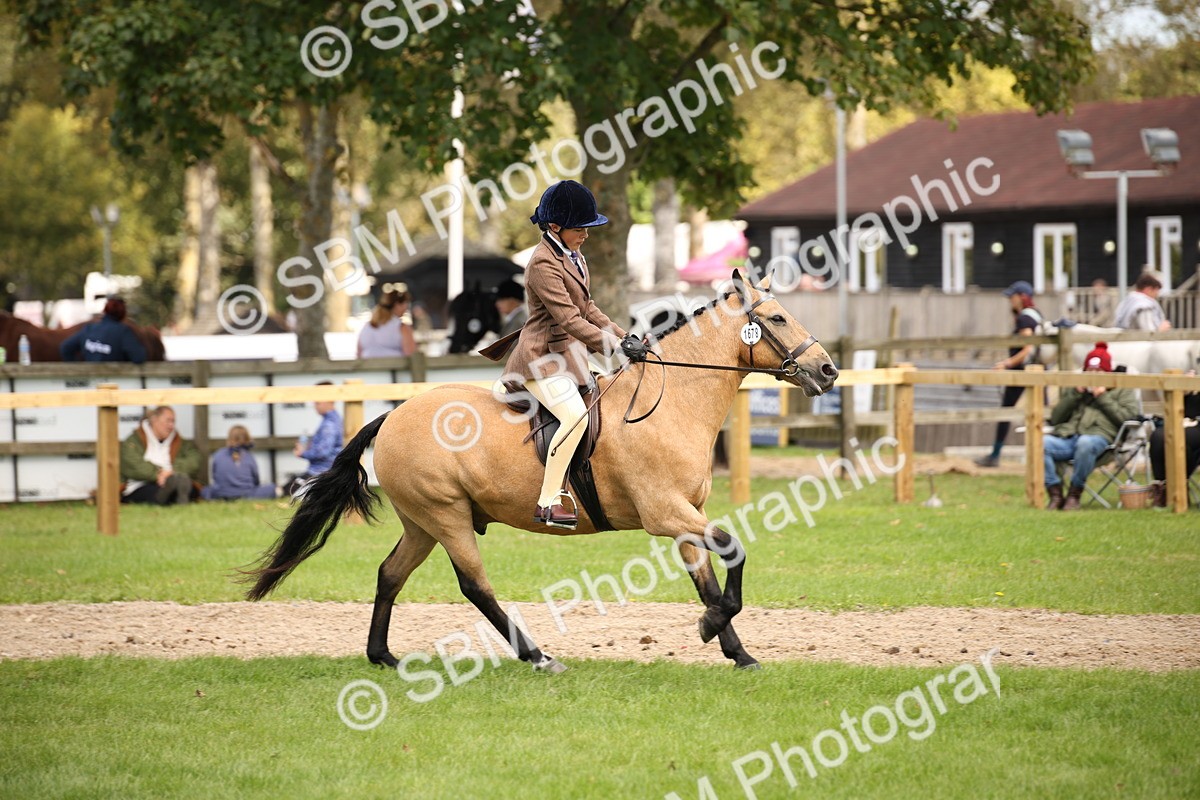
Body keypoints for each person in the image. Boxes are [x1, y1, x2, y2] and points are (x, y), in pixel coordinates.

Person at [492, 180, 646, 529]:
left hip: (569, 354)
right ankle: (548, 501)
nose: (586, 235)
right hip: (541, 359)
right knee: (575, 416)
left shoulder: (573, 254)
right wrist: (615, 347)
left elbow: (588, 307)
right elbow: (569, 319)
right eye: (580, 228)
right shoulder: (543, 264)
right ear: (555, 227)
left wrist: (625, 334)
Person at [1043, 344, 1140, 510]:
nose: (1093, 376)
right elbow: (1056, 418)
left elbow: (1128, 418)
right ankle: (1055, 493)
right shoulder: (1077, 390)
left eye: (1098, 372)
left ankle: (1075, 493)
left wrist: (1103, 398)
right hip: (1070, 438)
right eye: (1090, 372)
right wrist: (1074, 395)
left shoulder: (1122, 388)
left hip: (1102, 440)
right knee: (1041, 443)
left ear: (1107, 372)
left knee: (1085, 443)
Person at [976, 280, 1044, 467]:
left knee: (1006, 410)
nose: (1010, 301)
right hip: (1038, 371)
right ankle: (1043, 454)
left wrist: (1007, 363)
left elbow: (1027, 349)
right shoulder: (1037, 315)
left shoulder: (1025, 319)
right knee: (1043, 411)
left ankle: (995, 455)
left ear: (1022, 298)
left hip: (1022, 372)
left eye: (1012, 297)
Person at [120, 406, 202, 505]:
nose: (171, 425)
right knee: (151, 492)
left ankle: (174, 494)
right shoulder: (134, 441)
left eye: (173, 421)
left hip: (174, 479)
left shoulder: (180, 442)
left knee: (188, 487)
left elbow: (194, 460)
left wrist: (172, 471)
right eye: (168, 421)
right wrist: (158, 474)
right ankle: (168, 496)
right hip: (141, 485)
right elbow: (132, 464)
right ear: (154, 420)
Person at [1148, 366, 1200, 507]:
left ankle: (1179, 488)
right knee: (1158, 436)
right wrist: (1184, 391)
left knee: (1182, 440)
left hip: (1196, 427)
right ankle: (1162, 488)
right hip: (1183, 422)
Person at [282, 381, 344, 497]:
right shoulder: (331, 420)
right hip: (323, 473)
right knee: (287, 488)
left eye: (318, 400)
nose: (314, 404)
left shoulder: (329, 424)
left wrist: (303, 453)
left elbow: (323, 453)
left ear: (330, 400)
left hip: (320, 475)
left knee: (286, 492)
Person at [201, 425, 279, 500]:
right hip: (246, 495)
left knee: (205, 490)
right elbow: (256, 480)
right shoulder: (249, 456)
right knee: (272, 488)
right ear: (247, 438)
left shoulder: (218, 454)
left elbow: (215, 477)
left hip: (221, 494)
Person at [60, 296, 147, 363]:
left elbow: (66, 348)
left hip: (89, 380)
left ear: (105, 311)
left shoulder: (89, 329)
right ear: (123, 313)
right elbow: (138, 357)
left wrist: (78, 368)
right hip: (115, 381)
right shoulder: (123, 332)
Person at [357, 287, 417, 358]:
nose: (406, 308)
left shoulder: (367, 327)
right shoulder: (401, 328)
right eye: (405, 304)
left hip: (368, 368)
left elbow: (359, 353)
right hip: (393, 367)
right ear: (397, 305)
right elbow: (411, 355)